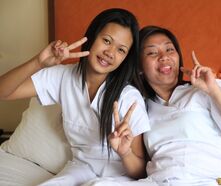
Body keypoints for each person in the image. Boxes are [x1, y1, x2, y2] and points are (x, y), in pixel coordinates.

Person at [0, 8, 150, 186]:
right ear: (92, 37)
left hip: (120, 175)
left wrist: (125, 153)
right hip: (81, 167)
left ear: (125, 58)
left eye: (121, 50)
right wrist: (38, 63)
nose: (110, 52)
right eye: (106, 40)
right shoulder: (63, 77)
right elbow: (4, 92)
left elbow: (140, 171)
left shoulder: (129, 98)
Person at [137, 26, 221, 186]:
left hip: (210, 180)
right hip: (157, 181)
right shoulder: (140, 105)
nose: (164, 57)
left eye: (170, 49)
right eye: (152, 52)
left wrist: (213, 90)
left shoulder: (205, 89)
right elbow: (137, 165)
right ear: (139, 66)